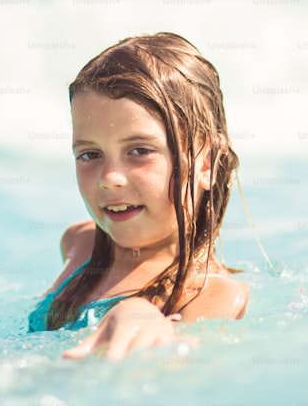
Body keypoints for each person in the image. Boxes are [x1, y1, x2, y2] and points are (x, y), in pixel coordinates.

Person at [28, 32, 249, 361]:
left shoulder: (212, 294)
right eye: (90, 154)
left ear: (205, 163)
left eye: (139, 151)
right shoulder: (79, 245)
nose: (109, 179)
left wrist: (142, 315)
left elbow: (176, 373)